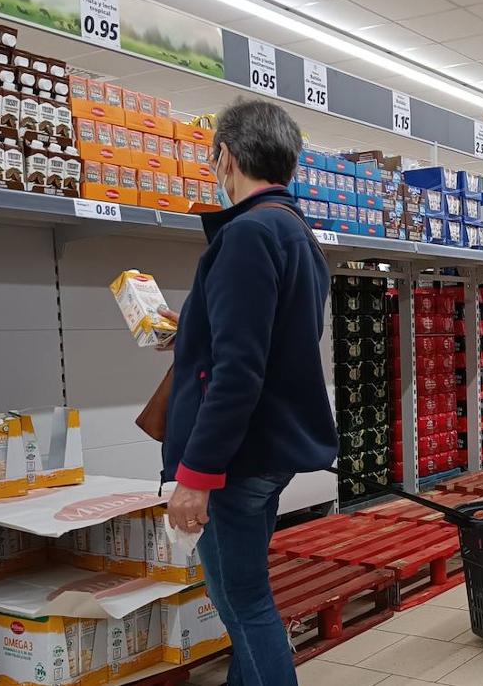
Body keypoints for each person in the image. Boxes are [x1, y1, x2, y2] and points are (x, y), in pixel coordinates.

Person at [160, 99, 336, 686]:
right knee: (246, 595)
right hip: (271, 451)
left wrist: (197, 474)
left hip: (236, 460)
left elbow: (239, 371)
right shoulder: (296, 233)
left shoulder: (247, 234)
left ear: (226, 158)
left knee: (243, 603)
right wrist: (191, 330)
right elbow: (272, 340)